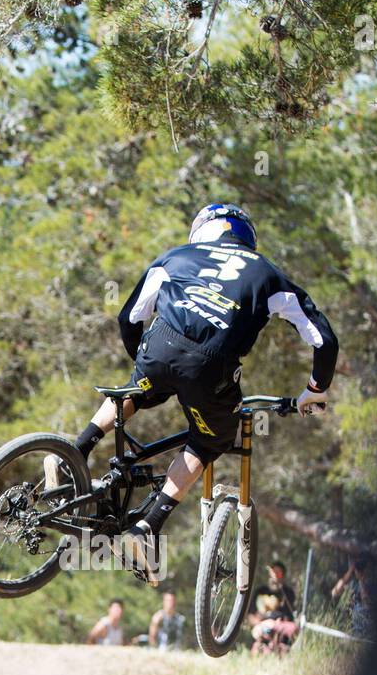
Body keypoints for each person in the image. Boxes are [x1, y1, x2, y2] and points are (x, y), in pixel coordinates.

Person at [50, 203, 338, 585]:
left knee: (134, 391)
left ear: (202, 230)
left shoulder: (177, 256)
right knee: (210, 439)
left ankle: (73, 453)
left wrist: (148, 367)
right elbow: (324, 339)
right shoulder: (268, 274)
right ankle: (146, 527)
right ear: (244, 236)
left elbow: (129, 318)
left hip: (161, 344)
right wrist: (313, 390)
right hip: (213, 366)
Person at [331, 556, 373, 637]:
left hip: (368, 633)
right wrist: (350, 571)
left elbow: (366, 603)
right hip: (354, 631)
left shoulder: (372, 583)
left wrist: (361, 580)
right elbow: (334, 593)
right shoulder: (354, 582)